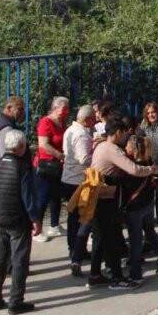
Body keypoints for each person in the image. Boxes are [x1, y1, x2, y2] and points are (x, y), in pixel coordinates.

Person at [93, 115, 158, 288]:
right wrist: (152, 169)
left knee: (100, 238)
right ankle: (116, 278)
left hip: (99, 196)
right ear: (118, 132)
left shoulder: (101, 146)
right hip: (106, 199)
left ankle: (95, 275)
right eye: (125, 133)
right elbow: (133, 169)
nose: (126, 137)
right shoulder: (112, 149)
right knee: (112, 238)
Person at [0, 130, 41, 314]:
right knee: (19, 260)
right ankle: (16, 301)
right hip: (17, 221)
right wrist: (35, 219)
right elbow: (27, 197)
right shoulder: (23, 168)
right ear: (21, 147)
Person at [62, 104, 96, 277]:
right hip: (78, 181)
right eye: (93, 119)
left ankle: (75, 249)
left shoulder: (70, 130)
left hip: (69, 178)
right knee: (82, 218)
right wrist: (96, 154)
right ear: (87, 119)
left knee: (73, 217)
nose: (95, 122)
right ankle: (76, 250)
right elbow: (84, 159)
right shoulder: (81, 134)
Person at [33, 96, 69, 242]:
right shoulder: (45, 122)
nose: (66, 111)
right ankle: (37, 229)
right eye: (64, 108)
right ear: (55, 107)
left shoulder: (62, 123)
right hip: (46, 165)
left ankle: (54, 225)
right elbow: (43, 144)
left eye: (67, 108)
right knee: (42, 197)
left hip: (58, 165)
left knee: (56, 196)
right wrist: (59, 155)